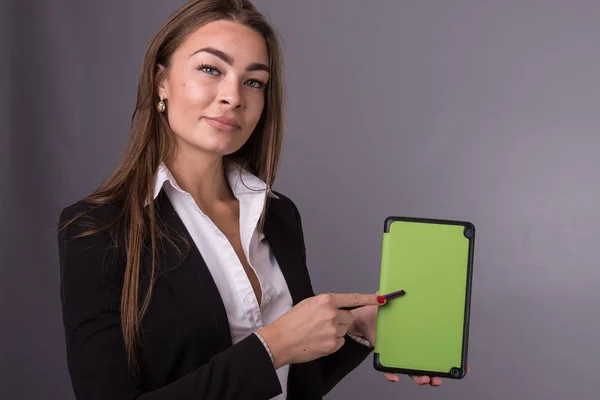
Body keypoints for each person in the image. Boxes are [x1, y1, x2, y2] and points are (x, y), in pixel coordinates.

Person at [57, 1, 450, 398]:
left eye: (254, 81)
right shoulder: (97, 230)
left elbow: (290, 383)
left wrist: (359, 330)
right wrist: (272, 347)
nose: (233, 96)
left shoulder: (277, 214)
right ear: (162, 80)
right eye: (211, 69)